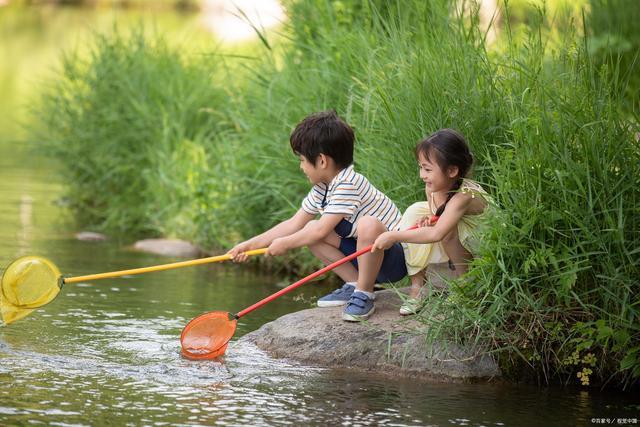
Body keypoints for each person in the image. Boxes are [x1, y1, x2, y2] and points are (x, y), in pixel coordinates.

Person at [229, 110, 407, 321]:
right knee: (309, 230)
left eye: (303, 160)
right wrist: (249, 245)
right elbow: (294, 223)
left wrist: (285, 244)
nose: (301, 166)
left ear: (322, 160)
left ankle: (365, 293)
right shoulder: (323, 188)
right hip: (362, 256)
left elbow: (322, 230)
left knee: (365, 225)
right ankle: (353, 284)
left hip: (393, 259)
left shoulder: (348, 183)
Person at [371, 129, 490, 315]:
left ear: (452, 170)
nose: (421, 175)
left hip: (484, 236)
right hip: (457, 229)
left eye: (427, 169)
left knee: (447, 230)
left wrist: (393, 236)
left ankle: (464, 282)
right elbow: (438, 216)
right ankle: (418, 287)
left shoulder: (464, 195)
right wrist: (431, 218)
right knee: (413, 213)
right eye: (420, 167)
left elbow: (438, 233)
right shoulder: (432, 189)